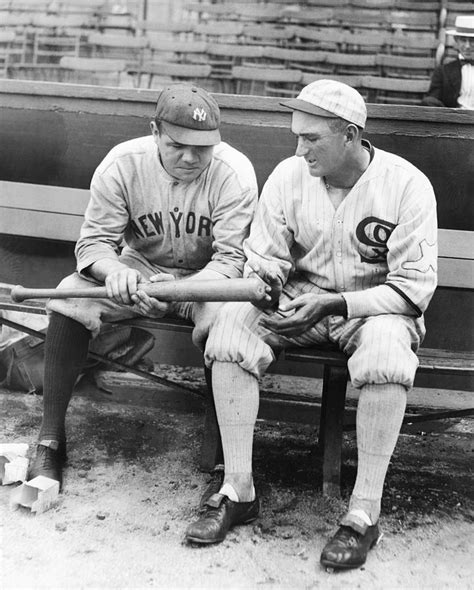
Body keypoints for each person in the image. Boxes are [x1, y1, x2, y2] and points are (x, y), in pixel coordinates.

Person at [186, 79, 438, 570]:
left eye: (312, 139)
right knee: (231, 331)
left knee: (388, 355)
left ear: (350, 135)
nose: (300, 149)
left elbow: (414, 289)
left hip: (373, 308)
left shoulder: (407, 184)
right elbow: (263, 259)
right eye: (297, 136)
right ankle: (237, 489)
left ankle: (364, 512)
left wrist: (338, 304)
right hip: (300, 303)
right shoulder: (288, 176)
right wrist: (269, 283)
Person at [28, 83, 258, 488]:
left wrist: (178, 291)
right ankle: (49, 440)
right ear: (155, 131)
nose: (190, 157)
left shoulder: (233, 172)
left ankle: (226, 458)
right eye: (177, 145)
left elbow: (231, 260)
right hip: (140, 267)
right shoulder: (123, 162)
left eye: (201, 148)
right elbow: (95, 242)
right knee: (69, 301)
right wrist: (113, 272)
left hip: (207, 279)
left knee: (228, 325)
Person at [422, 15, 474, 108]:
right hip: (453, 119)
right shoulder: (443, 72)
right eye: (463, 40)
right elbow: (432, 100)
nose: (467, 46)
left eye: (472, 40)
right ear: (456, 41)